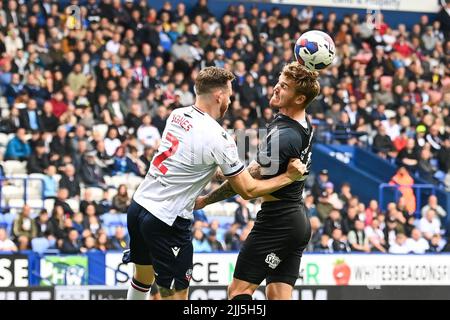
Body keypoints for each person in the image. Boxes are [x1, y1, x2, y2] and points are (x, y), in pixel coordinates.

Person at [125, 67, 306, 300]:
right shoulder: (219, 138)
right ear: (219, 96)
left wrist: (225, 173)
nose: (229, 102)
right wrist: (289, 177)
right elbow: (248, 190)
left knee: (142, 279)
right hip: (167, 220)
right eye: (229, 96)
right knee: (175, 296)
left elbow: (188, 162)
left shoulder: (177, 115)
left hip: (139, 206)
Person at [195, 62, 319, 300]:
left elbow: (246, 185)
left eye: (284, 87)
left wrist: (205, 200)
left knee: (238, 292)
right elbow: (253, 169)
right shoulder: (302, 123)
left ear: (300, 98)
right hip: (296, 222)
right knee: (278, 295)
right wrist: (221, 170)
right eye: (279, 82)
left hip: (277, 222)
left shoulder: (284, 136)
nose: (276, 88)